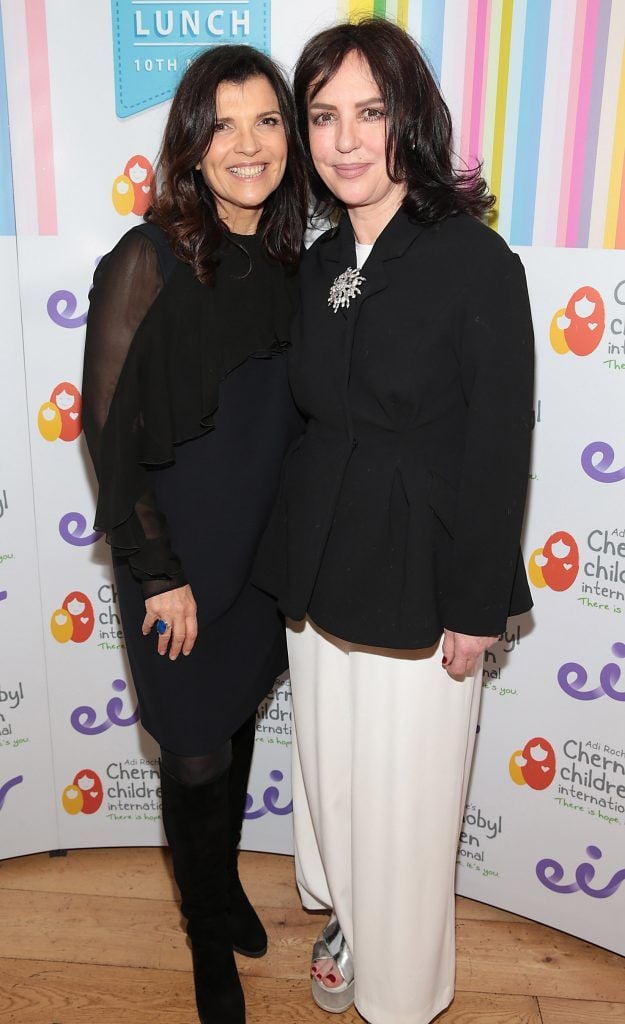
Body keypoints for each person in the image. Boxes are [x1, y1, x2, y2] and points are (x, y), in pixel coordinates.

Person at [253, 18, 534, 1024]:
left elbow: (498, 448)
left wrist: (475, 604)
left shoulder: (475, 262)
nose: (343, 137)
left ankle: (402, 994)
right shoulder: (324, 258)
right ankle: (349, 928)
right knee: (335, 780)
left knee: (408, 805)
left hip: (422, 581)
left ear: (406, 117)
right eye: (322, 114)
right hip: (321, 571)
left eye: (368, 111)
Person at [82, 45, 306, 1024]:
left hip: (258, 560)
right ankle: (204, 936)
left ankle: (222, 886)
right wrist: (156, 572)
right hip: (176, 565)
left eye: (266, 121)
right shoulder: (145, 260)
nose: (247, 144)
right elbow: (108, 431)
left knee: (238, 720)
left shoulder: (297, 257)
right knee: (194, 752)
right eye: (224, 124)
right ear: (191, 141)